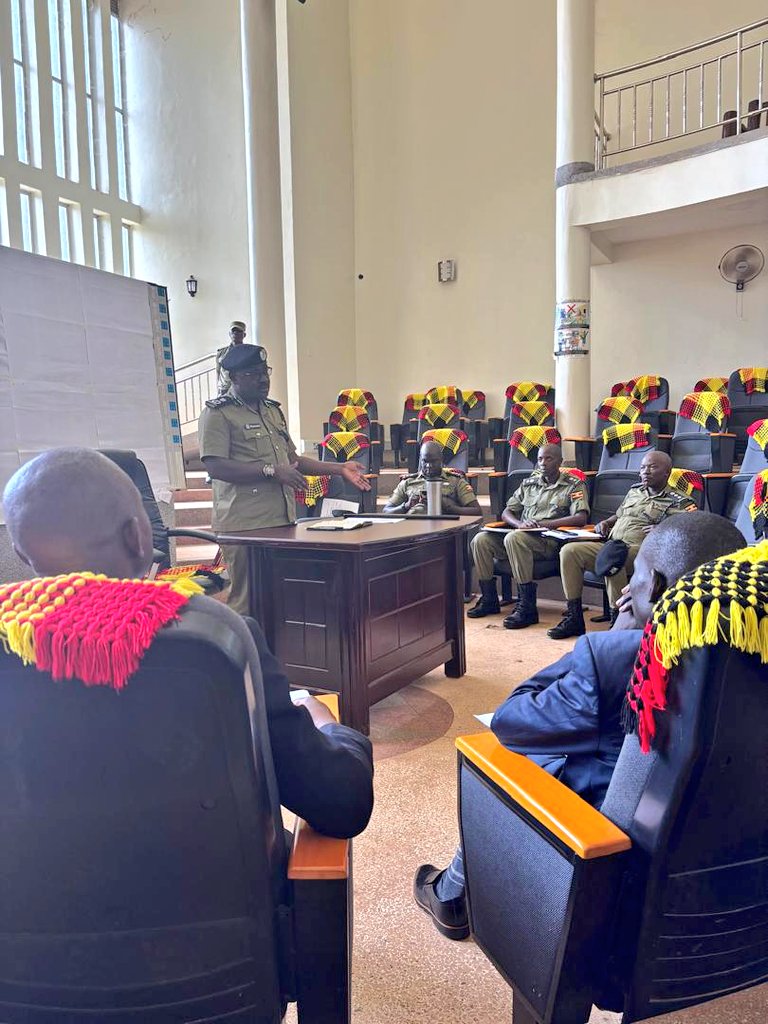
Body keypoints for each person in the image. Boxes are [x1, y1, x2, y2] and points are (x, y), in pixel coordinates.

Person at [2, 447, 374, 840]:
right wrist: (328, 726)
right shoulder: (214, 644)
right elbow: (343, 804)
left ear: (21, 554)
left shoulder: (11, 642)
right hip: (222, 899)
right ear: (139, 535)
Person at [413, 512, 744, 939]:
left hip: (608, 872)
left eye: (636, 575)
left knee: (505, 754)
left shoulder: (619, 658)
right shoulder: (750, 648)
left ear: (656, 587)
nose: (626, 588)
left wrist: (610, 641)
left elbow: (512, 719)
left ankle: (455, 895)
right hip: (718, 871)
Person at [198, 344, 371, 615]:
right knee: (246, 602)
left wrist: (339, 468)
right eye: (253, 374)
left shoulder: (272, 411)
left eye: (265, 372)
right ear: (233, 377)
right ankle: (245, 657)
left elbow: (294, 460)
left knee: (279, 599)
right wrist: (270, 471)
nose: (263, 379)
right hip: (243, 526)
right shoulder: (218, 413)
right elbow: (215, 466)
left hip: (280, 520)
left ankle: (276, 658)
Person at [549, 450, 699, 640]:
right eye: (643, 467)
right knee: (569, 551)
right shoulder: (634, 492)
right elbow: (619, 515)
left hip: (644, 551)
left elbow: (693, 529)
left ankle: (617, 621)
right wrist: (606, 523)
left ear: (667, 473)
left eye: (653, 467)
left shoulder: (680, 501)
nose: (646, 472)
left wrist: (663, 529)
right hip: (612, 543)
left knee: (614, 560)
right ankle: (574, 616)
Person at [467, 444, 589, 629]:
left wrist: (542, 524)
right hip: (522, 534)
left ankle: (527, 607)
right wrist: (519, 524)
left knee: (513, 539)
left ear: (560, 461)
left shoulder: (573, 484)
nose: (543, 463)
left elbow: (581, 517)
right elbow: (508, 511)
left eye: (549, 459)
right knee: (480, 540)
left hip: (549, 541)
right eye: (540, 459)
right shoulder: (529, 483)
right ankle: (489, 598)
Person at [382, 440, 482, 517]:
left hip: (444, 531)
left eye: (433, 461)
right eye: (425, 461)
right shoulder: (408, 482)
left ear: (441, 460)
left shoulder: (455, 481)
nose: (429, 466)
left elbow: (476, 511)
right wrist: (406, 506)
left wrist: (449, 507)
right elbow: (386, 512)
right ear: (420, 460)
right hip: (412, 531)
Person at [215, 320, 247, 396]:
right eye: (234, 331)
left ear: (244, 335)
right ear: (230, 334)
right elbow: (218, 372)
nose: (236, 333)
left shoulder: (247, 352)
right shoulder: (221, 353)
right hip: (224, 391)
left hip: (240, 391)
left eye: (239, 331)